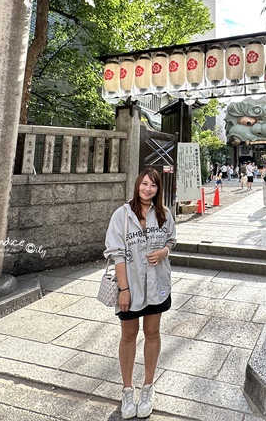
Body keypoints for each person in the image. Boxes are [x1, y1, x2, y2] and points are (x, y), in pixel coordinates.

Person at [104, 168, 176, 419]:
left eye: (153, 185)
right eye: (144, 184)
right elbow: (118, 255)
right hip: (131, 287)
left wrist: (163, 252)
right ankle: (127, 389)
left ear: (158, 189)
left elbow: (171, 242)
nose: (148, 189)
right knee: (128, 335)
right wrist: (124, 290)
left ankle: (147, 387)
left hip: (157, 285)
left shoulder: (164, 214)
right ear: (137, 185)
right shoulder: (122, 215)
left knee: (153, 332)